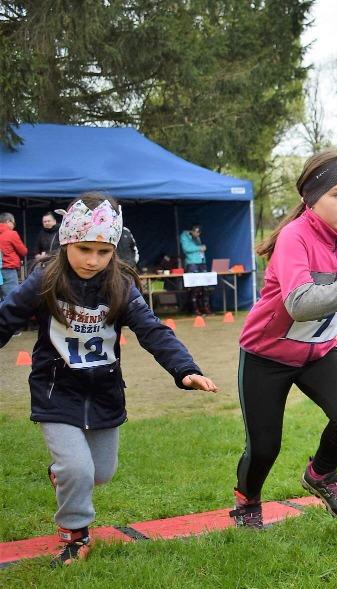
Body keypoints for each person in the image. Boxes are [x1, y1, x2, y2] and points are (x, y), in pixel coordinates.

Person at [0, 193, 218, 566]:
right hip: (55, 390)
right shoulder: (45, 278)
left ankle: (63, 475)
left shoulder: (121, 285)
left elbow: (152, 330)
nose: (93, 260)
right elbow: (7, 317)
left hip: (104, 392)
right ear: (66, 241)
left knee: (100, 472)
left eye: (103, 252)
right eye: (84, 249)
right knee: (78, 470)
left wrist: (186, 370)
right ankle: (75, 535)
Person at [230, 151, 337, 529]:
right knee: (265, 447)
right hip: (267, 355)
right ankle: (247, 502)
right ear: (311, 198)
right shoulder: (294, 237)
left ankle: (321, 473)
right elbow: (300, 305)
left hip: (318, 351)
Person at [180, 223, 212, 315]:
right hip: (192, 263)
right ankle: (194, 308)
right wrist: (199, 248)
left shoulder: (197, 237)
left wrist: (201, 249)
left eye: (199, 233)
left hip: (201, 263)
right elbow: (186, 248)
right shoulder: (184, 236)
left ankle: (205, 307)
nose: (198, 234)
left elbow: (200, 250)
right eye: (197, 232)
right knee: (195, 286)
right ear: (192, 230)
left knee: (205, 286)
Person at [0, 212, 28, 302]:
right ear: (8, 221)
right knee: (11, 299)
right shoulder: (11, 234)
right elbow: (23, 251)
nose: (14, 226)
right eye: (14, 223)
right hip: (8, 269)